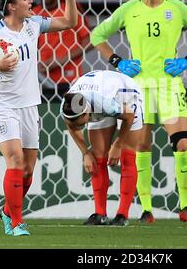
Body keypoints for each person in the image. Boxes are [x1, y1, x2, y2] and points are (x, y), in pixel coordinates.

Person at [90, 0, 187, 223]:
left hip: (169, 85)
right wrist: (118, 61)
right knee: (141, 145)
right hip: (138, 87)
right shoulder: (129, 10)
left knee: (182, 143)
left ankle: (185, 206)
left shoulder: (176, 8)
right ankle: (147, 210)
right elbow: (97, 34)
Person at [0, 0, 78, 236]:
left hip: (30, 105)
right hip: (3, 105)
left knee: (27, 171)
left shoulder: (34, 25)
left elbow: (71, 22)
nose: (32, 1)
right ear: (12, 6)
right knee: (15, 161)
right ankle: (16, 222)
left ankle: (7, 210)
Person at [61, 70, 143, 226]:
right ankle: (100, 214)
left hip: (125, 94)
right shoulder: (68, 107)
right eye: (75, 123)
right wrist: (85, 153)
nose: (79, 126)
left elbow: (129, 116)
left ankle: (122, 215)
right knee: (97, 158)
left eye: (81, 122)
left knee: (127, 155)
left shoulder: (104, 104)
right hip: (99, 90)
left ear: (87, 113)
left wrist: (117, 144)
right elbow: (71, 126)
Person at [33, 0, 92, 96]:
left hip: (70, 78)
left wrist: (61, 60)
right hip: (42, 80)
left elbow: (90, 41)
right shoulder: (34, 13)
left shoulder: (69, 10)